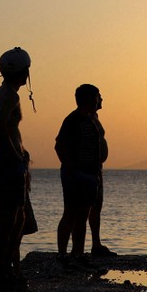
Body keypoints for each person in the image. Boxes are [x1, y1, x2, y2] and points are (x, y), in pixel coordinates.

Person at [0, 47, 37, 289]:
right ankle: (2, 273)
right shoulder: (10, 96)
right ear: (24, 72)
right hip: (9, 164)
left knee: (16, 219)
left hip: (4, 162)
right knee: (10, 220)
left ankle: (10, 270)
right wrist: (15, 155)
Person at [55, 84, 110, 260]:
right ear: (88, 99)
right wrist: (72, 169)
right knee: (71, 213)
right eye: (97, 97)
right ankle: (63, 253)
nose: (99, 100)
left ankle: (77, 252)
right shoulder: (73, 120)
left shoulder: (90, 118)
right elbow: (59, 146)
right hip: (77, 174)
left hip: (90, 173)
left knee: (82, 215)